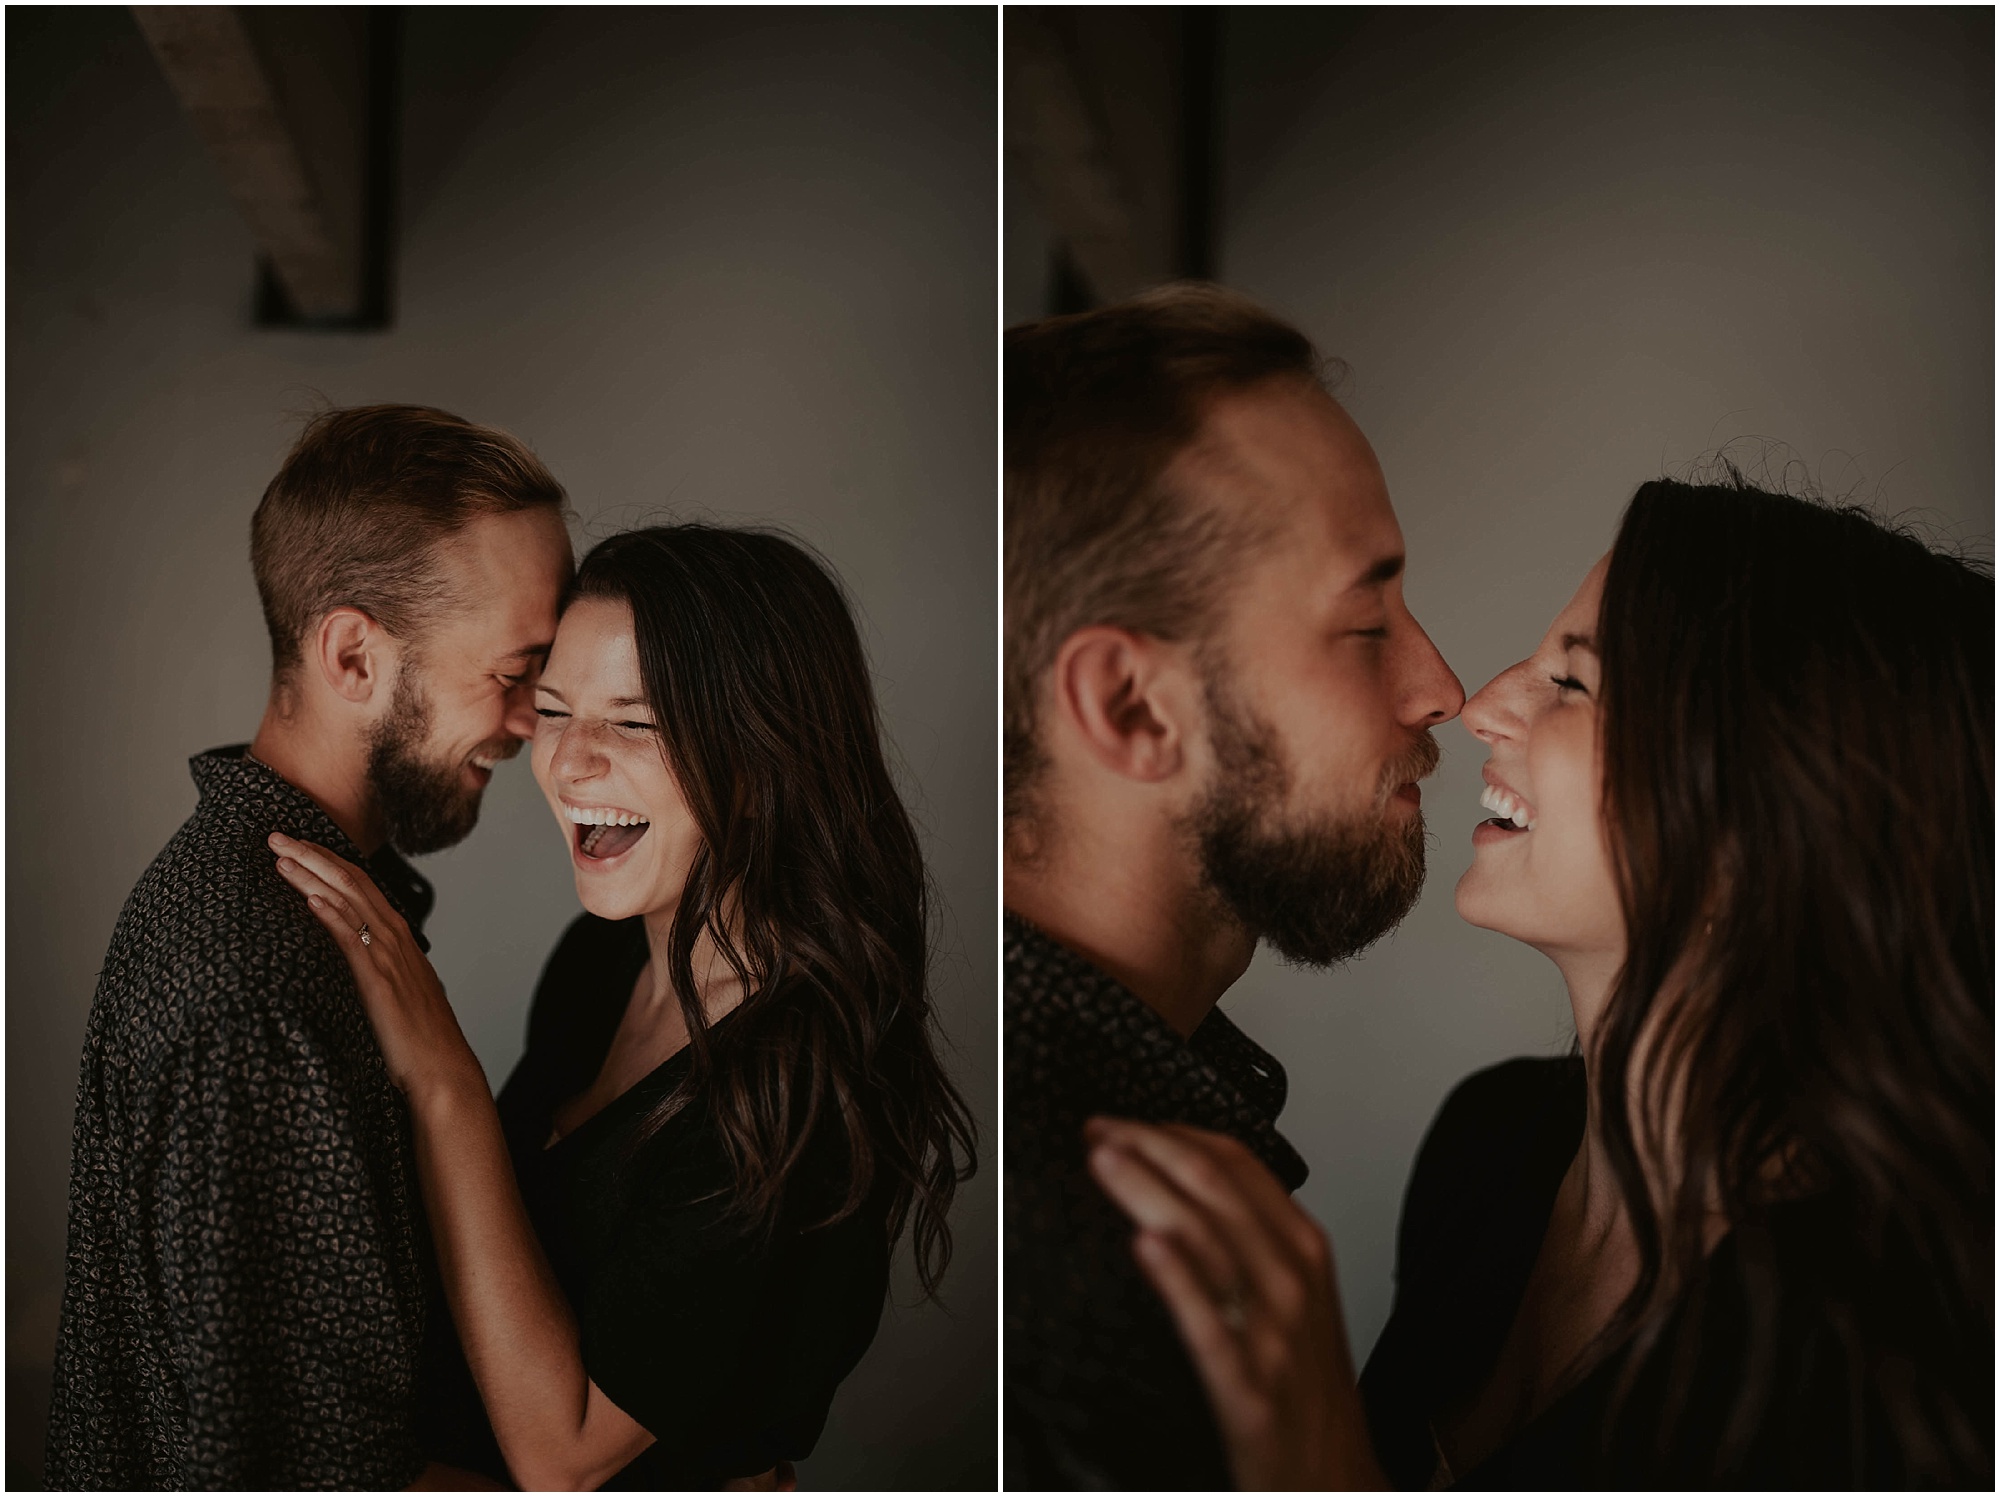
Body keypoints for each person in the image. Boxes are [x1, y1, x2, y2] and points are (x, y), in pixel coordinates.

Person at [1088, 474, 1994, 1488]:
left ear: (1762, 814)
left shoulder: (1885, 1368)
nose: (1477, 707)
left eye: (1570, 684)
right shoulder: (1488, 1144)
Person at [268, 523, 979, 1490]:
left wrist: (443, 1079)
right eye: (554, 711)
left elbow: (561, 1457)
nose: (568, 766)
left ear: (766, 748)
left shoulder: (795, 1087)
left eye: (635, 722)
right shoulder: (601, 959)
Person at [45, 405, 575, 1489]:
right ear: (351, 654)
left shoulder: (306, 910)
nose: (530, 724)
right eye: (513, 671)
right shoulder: (259, 986)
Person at [1003, 283, 1463, 1488]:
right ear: (1132, 709)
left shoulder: (1131, 1099)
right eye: (1366, 626)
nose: (1439, 688)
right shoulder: (1074, 1251)